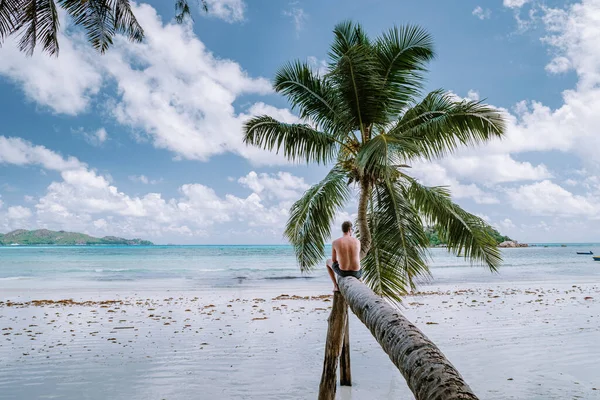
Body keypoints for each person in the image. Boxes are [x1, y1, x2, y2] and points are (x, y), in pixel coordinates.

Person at [326, 221, 362, 292]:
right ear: (349, 229)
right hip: (357, 273)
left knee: (328, 261)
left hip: (343, 272)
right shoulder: (357, 241)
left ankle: (335, 286)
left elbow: (333, 260)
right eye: (352, 230)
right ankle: (360, 280)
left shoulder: (335, 242)